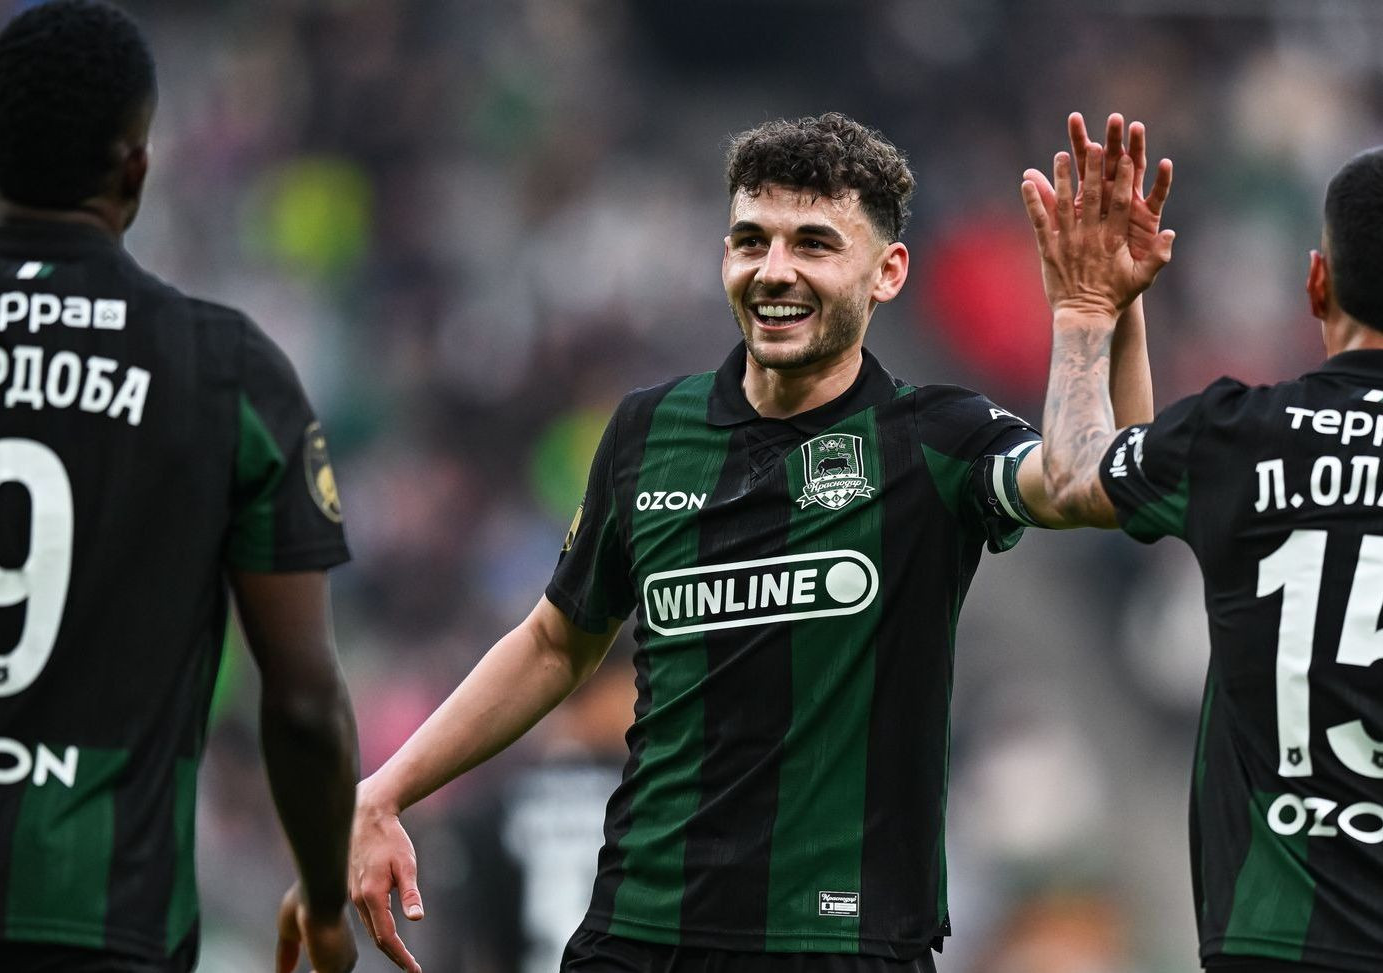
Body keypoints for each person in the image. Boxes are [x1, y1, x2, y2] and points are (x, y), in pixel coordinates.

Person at [348, 111, 1169, 973]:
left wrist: (1097, 315)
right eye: (752, 240)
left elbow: (1100, 487)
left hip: (840, 943)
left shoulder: (935, 439)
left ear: (887, 272)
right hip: (641, 935)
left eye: (814, 244)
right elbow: (557, 641)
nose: (775, 269)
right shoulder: (647, 431)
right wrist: (389, 786)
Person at [0, 3, 358, 972]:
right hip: (110, 924)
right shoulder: (229, 373)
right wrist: (325, 898)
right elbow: (304, 703)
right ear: (136, 170)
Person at [1025, 122, 1383, 969]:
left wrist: (1092, 311)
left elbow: (1078, 478)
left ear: (1317, 282)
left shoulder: (1238, 437)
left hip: (1274, 941)